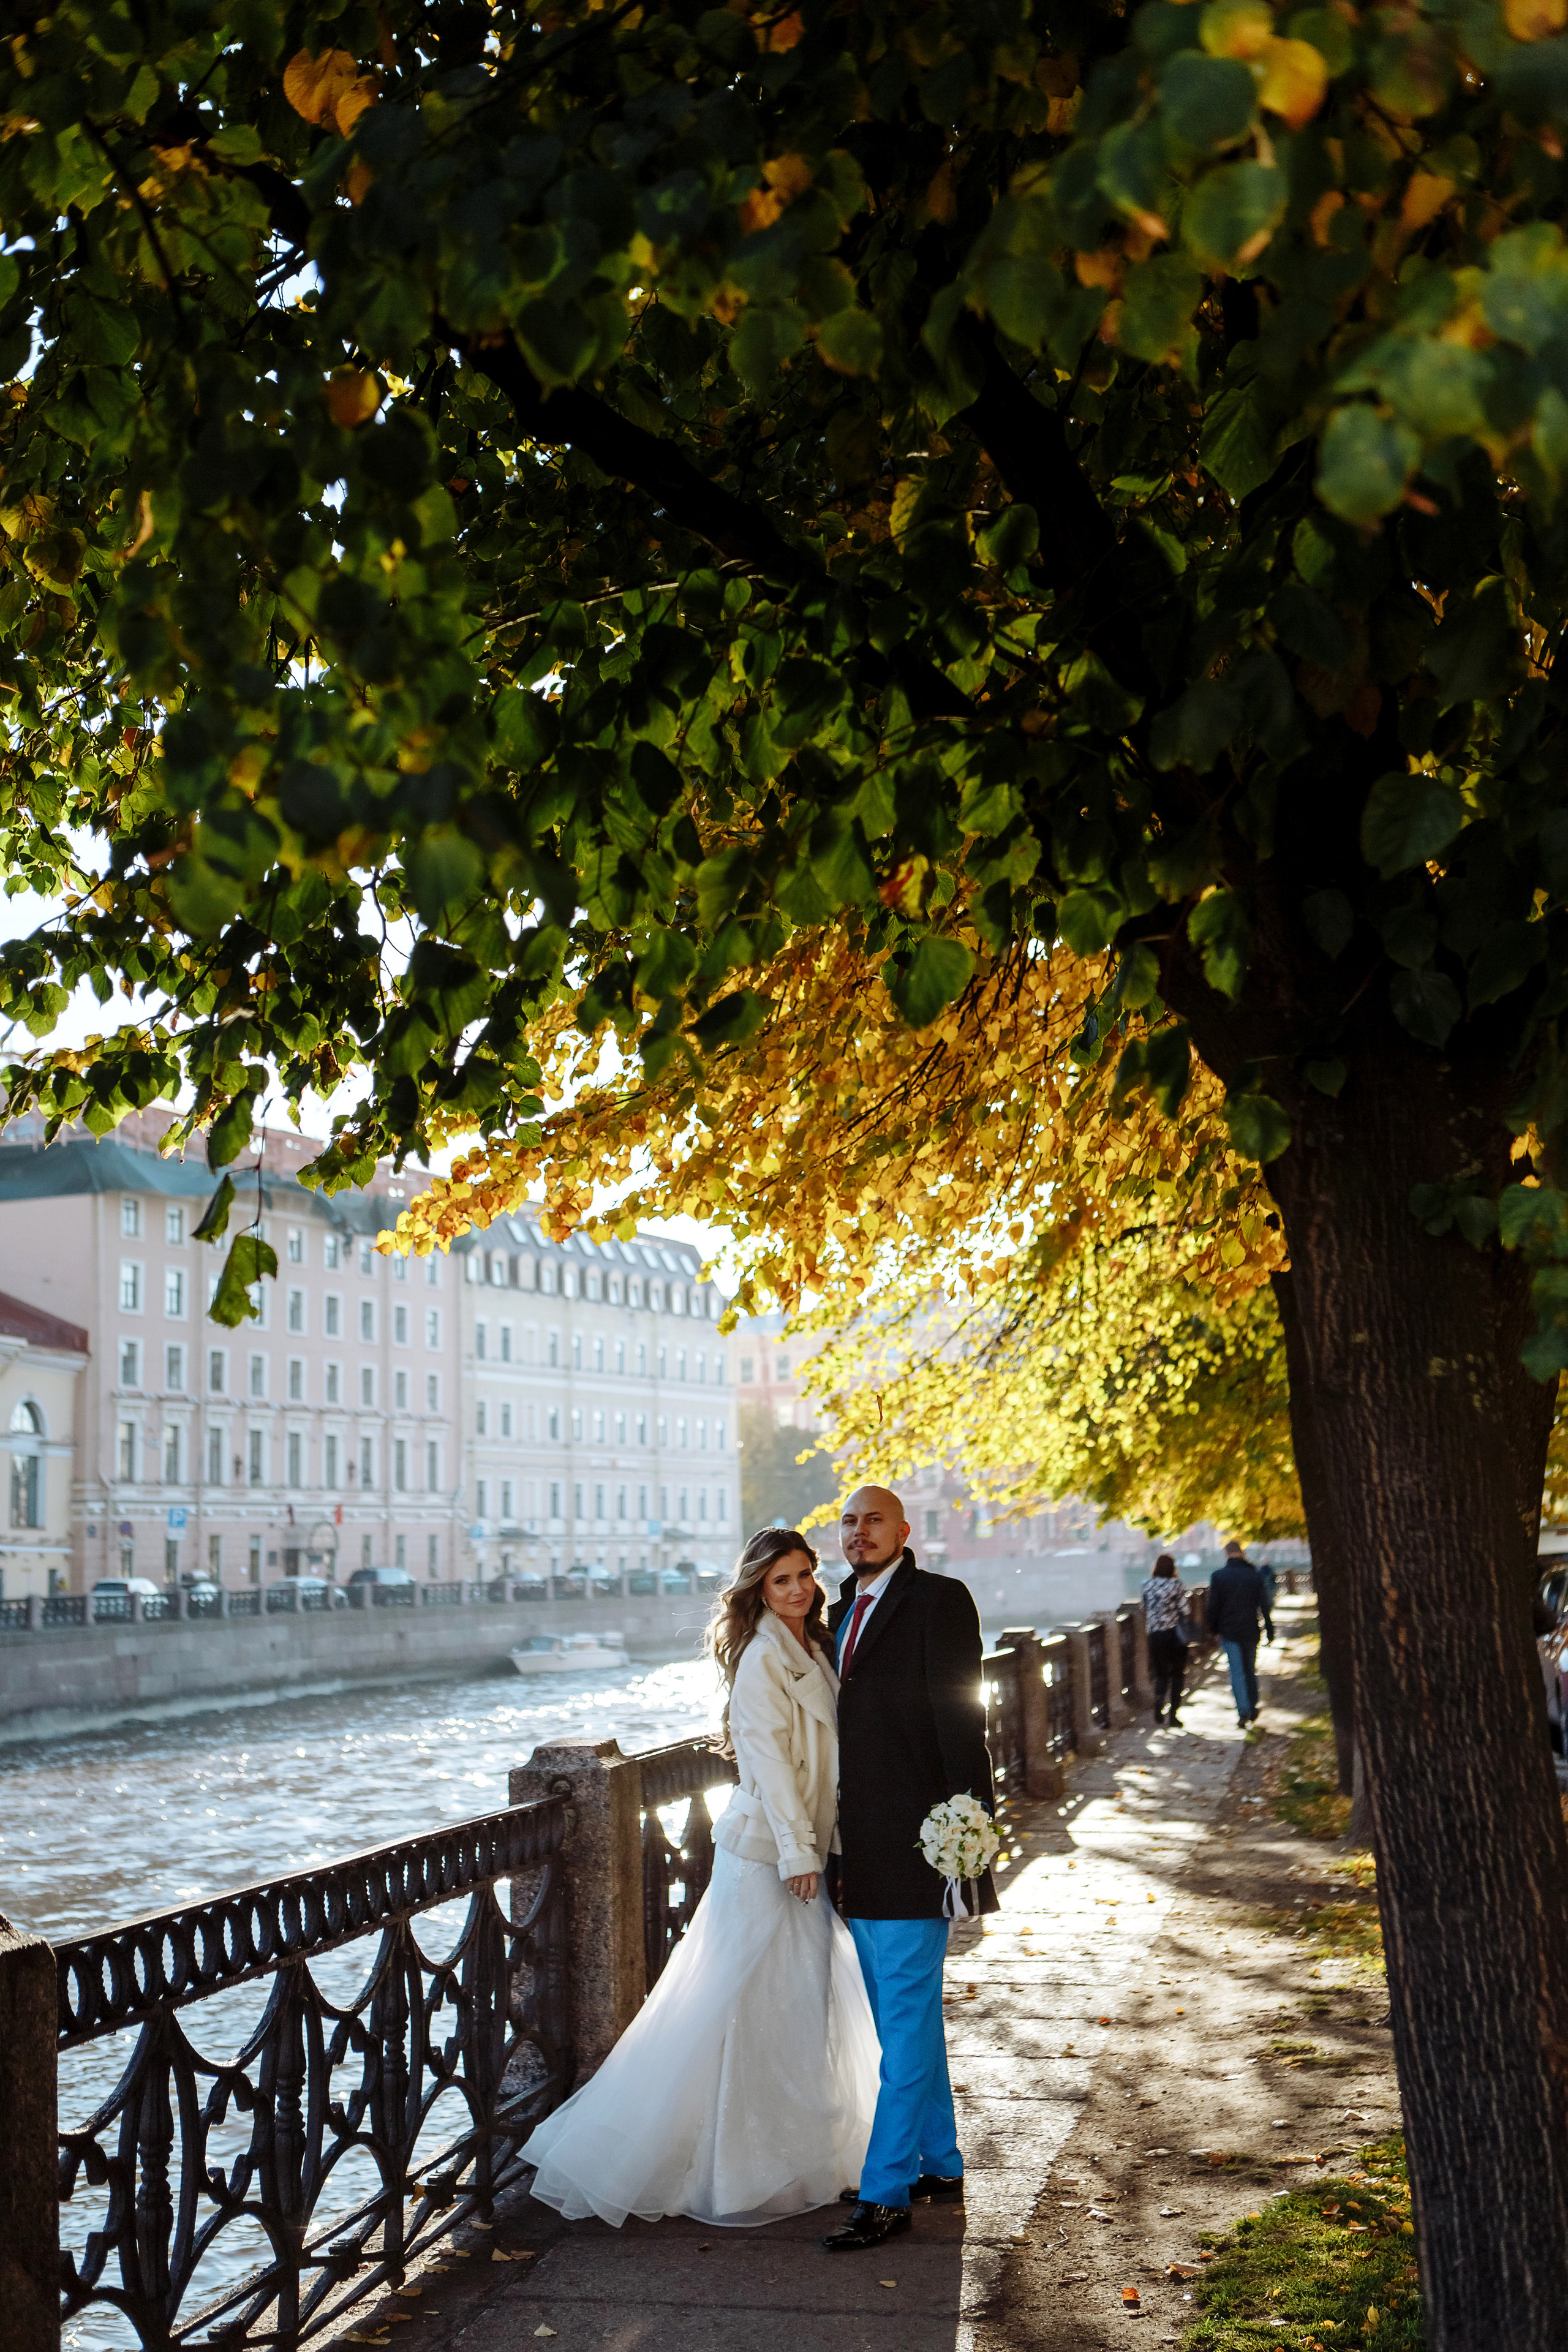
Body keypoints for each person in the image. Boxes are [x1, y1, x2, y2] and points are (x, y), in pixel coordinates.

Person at [521, 1528, 881, 2226]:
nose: (800, 1588)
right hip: (770, 1852)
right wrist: (800, 1851)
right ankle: (738, 2169)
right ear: (756, 1590)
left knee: (792, 1999)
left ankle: (788, 2152)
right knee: (746, 2004)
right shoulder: (760, 1657)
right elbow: (772, 1764)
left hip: (793, 1844)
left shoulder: (808, 1643)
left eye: (805, 1574)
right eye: (782, 1580)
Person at [821, 1485, 996, 2255]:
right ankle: (942, 2161)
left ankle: (887, 2192)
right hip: (851, 1851)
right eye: (850, 1522)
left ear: (903, 1530)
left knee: (899, 2022)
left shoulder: (939, 1600)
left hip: (918, 1847)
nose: (860, 1533)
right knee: (911, 2013)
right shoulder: (835, 1612)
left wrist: (968, 1838)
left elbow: (964, 1716)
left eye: (874, 1520)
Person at [1208, 1538, 1276, 1728]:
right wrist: (1270, 1629)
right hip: (1250, 1629)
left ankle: (1243, 1710)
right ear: (1242, 1553)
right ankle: (1253, 1707)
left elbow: (1213, 1607)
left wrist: (1213, 1630)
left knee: (1236, 1672)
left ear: (1227, 1554)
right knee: (1250, 1670)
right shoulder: (1254, 1576)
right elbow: (1265, 1604)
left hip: (1229, 1631)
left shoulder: (1219, 1576)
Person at [1141, 1551, 1188, 1728]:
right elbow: (1185, 1610)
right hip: (1176, 1635)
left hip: (1155, 1635)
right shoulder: (1176, 1585)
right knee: (1177, 1675)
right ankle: (1174, 1717)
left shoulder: (1146, 1584)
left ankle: (1160, 1698)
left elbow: (1144, 1606)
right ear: (1173, 1568)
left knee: (1161, 1674)